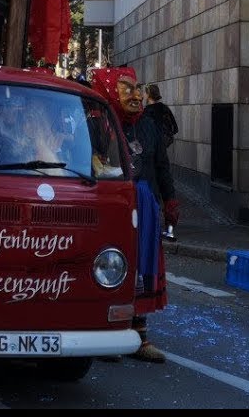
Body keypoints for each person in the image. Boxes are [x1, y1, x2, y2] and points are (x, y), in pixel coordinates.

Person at [91, 66, 176, 363]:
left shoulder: (149, 125)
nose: (136, 95)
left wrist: (170, 201)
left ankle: (139, 334)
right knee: (110, 267)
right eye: (127, 89)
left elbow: (162, 166)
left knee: (141, 267)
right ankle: (105, 334)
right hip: (111, 206)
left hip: (146, 204)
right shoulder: (98, 124)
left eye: (137, 88)